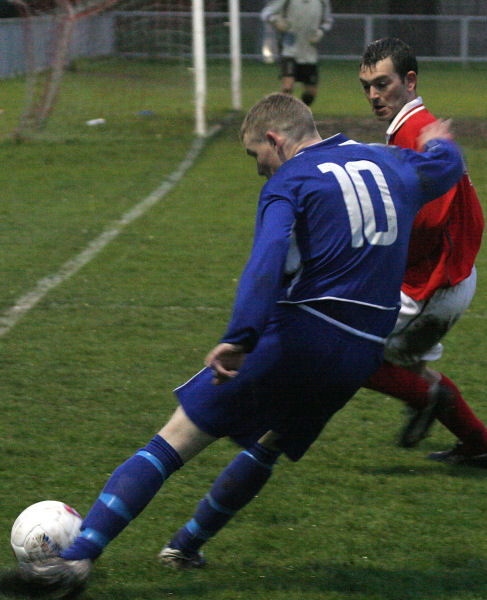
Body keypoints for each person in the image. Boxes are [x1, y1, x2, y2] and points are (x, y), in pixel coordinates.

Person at [25, 93, 463, 587]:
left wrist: (240, 336)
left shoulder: (291, 179)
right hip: (362, 351)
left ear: (275, 140)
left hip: (303, 334)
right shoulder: (389, 162)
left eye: (256, 155)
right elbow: (442, 168)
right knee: (269, 443)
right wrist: (439, 142)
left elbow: (268, 258)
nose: (259, 169)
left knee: (174, 440)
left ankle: (77, 558)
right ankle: (185, 546)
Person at [358, 37, 487, 463]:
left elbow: (429, 220)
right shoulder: (412, 129)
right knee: (405, 365)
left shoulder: (415, 130)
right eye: (367, 87)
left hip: (435, 282)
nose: (375, 95)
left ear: (410, 81)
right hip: (442, 275)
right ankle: (479, 446)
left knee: (347, 348)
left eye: (383, 84)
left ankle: (427, 398)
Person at [261, 0, 333, 105]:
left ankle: (302, 113)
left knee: (311, 92)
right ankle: (284, 114)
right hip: (289, 50)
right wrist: (277, 21)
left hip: (309, 53)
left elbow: (328, 20)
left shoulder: (322, 2)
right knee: (287, 86)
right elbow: (266, 13)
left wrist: (320, 31)